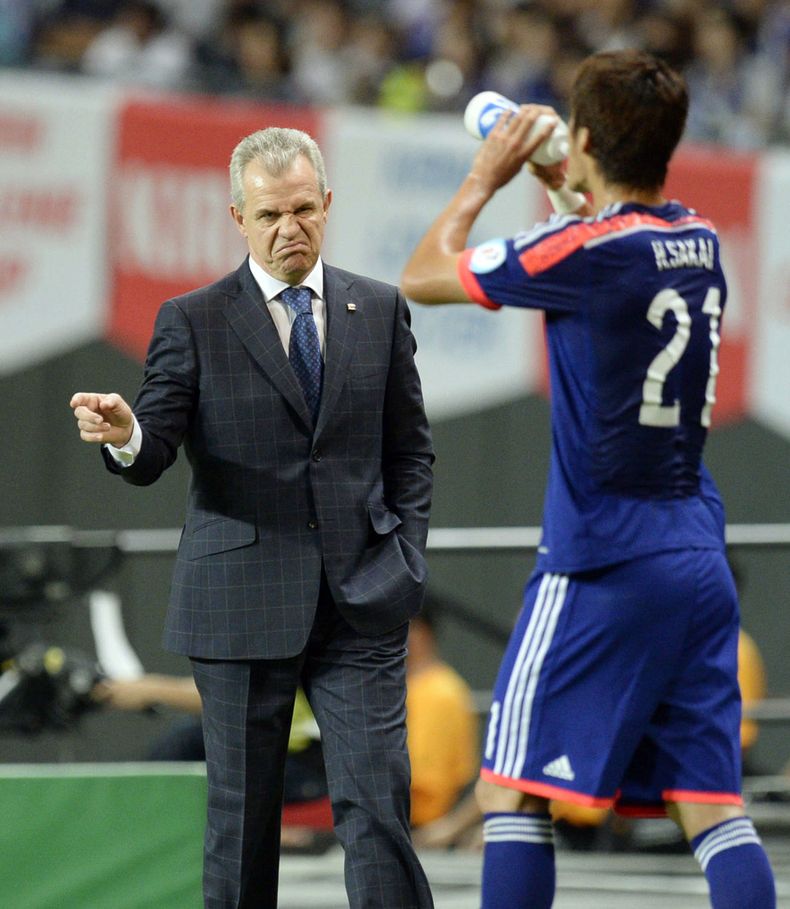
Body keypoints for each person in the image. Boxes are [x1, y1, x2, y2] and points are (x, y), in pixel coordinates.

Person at [401, 49, 776, 909]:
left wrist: (486, 175)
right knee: (712, 803)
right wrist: (567, 178)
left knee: (511, 789)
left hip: (602, 559)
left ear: (583, 135)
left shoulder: (584, 251)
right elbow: (608, 225)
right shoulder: (702, 240)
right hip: (696, 554)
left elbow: (424, 272)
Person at [70, 126, 435, 909]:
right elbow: (155, 441)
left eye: (303, 208)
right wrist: (125, 431)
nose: (288, 228)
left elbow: (412, 453)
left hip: (362, 598)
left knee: (377, 807)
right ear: (237, 216)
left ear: (328, 204)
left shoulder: (379, 309)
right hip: (239, 602)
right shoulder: (193, 319)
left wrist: (405, 558)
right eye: (269, 214)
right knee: (242, 824)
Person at [405, 600, 478, 829]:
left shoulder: (440, 691)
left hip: (427, 822)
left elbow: (421, 775)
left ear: (421, 633)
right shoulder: (406, 686)